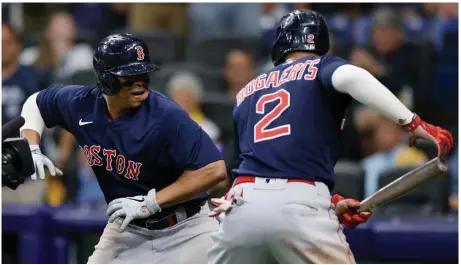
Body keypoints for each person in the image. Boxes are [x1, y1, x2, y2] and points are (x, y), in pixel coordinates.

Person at [207, 9, 454, 264]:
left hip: (240, 208)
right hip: (299, 205)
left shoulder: (246, 91)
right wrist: (411, 122)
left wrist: (330, 203)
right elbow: (352, 75)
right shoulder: (322, 65)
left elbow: (259, 159)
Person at [19, 33, 227, 263]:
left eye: (143, 73)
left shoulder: (166, 115)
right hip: (128, 230)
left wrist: (151, 202)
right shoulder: (80, 104)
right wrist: (32, 147)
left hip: (186, 229)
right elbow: (35, 104)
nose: (139, 82)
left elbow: (214, 169)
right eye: (129, 75)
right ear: (106, 78)